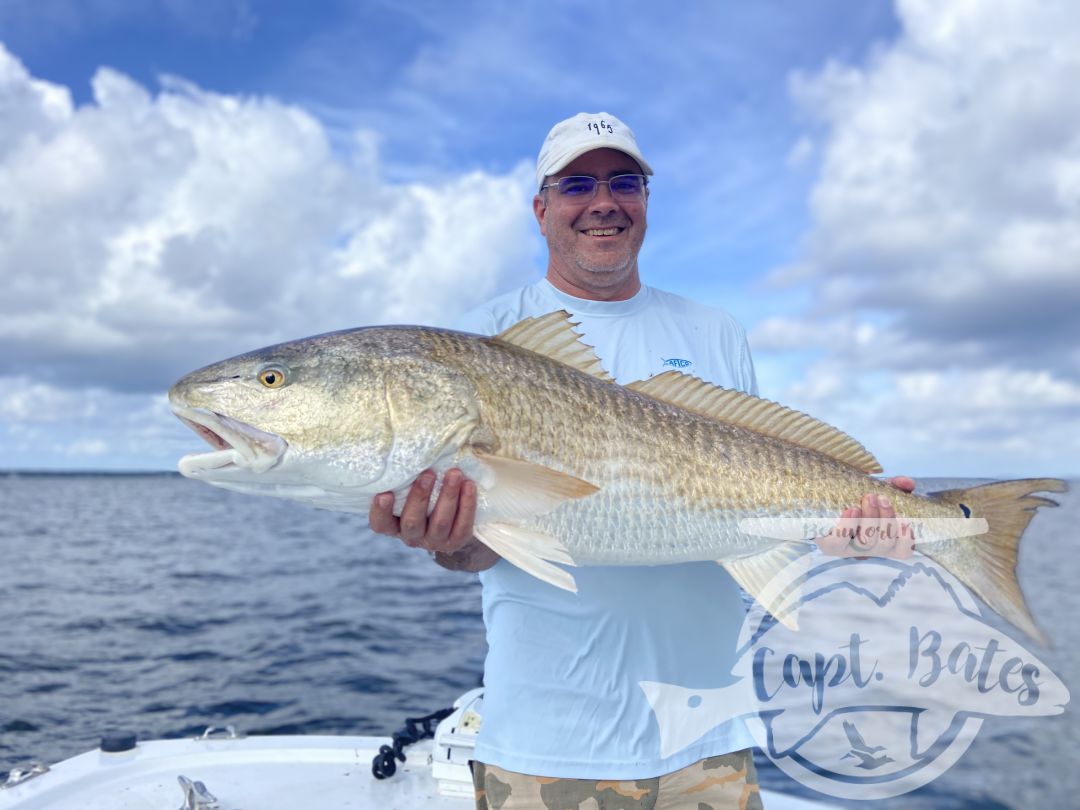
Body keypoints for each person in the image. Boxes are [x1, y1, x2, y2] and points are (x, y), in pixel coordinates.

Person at [369, 112, 914, 809]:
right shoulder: (483, 339)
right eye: (576, 184)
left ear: (647, 202)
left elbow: (750, 498)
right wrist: (450, 542)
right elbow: (480, 548)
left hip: (708, 743)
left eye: (624, 181)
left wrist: (846, 528)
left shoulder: (716, 332)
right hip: (542, 744)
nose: (603, 201)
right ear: (541, 209)